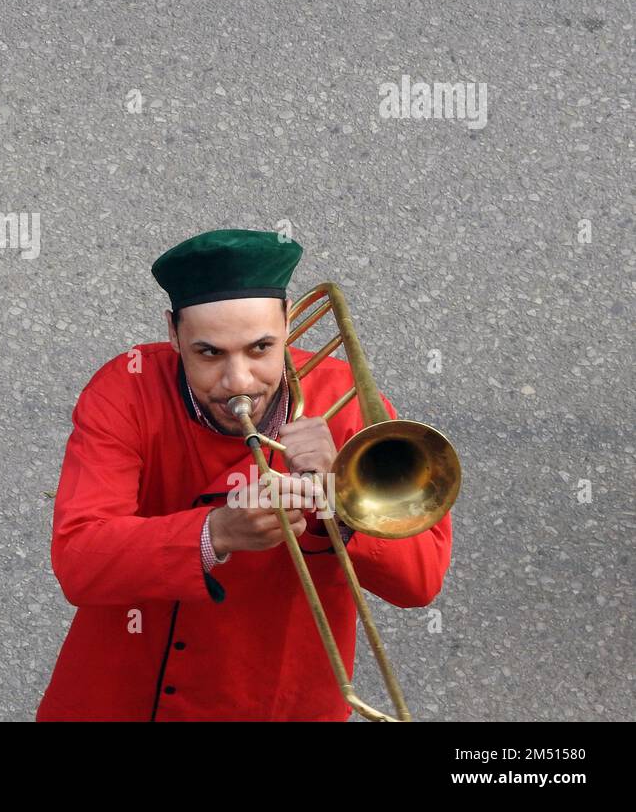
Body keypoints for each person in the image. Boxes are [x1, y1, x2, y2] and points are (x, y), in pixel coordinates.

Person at [36, 228, 453, 721]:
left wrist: (336, 497)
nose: (238, 382)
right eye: (209, 353)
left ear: (288, 320)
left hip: (275, 697)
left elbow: (420, 582)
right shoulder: (125, 389)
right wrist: (214, 533)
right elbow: (80, 560)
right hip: (124, 694)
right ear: (173, 334)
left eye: (260, 348)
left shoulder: (344, 397)